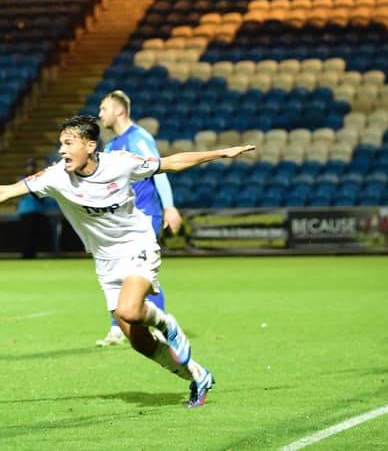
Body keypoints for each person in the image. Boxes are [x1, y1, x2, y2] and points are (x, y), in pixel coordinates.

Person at [0, 115, 255, 407]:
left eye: (69, 143)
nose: (62, 150)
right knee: (139, 342)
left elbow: (170, 163)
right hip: (105, 262)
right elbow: (7, 191)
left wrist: (221, 152)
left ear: (90, 145)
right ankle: (198, 375)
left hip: (138, 245)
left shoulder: (120, 163)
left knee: (130, 310)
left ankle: (167, 323)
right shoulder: (56, 176)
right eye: (60, 144)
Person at [95, 90, 182, 347]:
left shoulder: (139, 138)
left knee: (140, 270)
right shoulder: (111, 146)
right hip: (122, 219)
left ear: (119, 110)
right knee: (118, 270)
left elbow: (160, 171)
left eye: (103, 109)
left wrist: (170, 207)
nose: (100, 114)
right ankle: (119, 327)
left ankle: (159, 324)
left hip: (145, 214)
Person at [16, 158, 53, 259]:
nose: (30, 168)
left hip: (37, 211)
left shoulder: (37, 179)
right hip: (26, 211)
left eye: (32, 166)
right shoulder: (23, 181)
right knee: (27, 234)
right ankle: (26, 254)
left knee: (35, 234)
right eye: (29, 166)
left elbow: (43, 197)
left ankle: (32, 254)